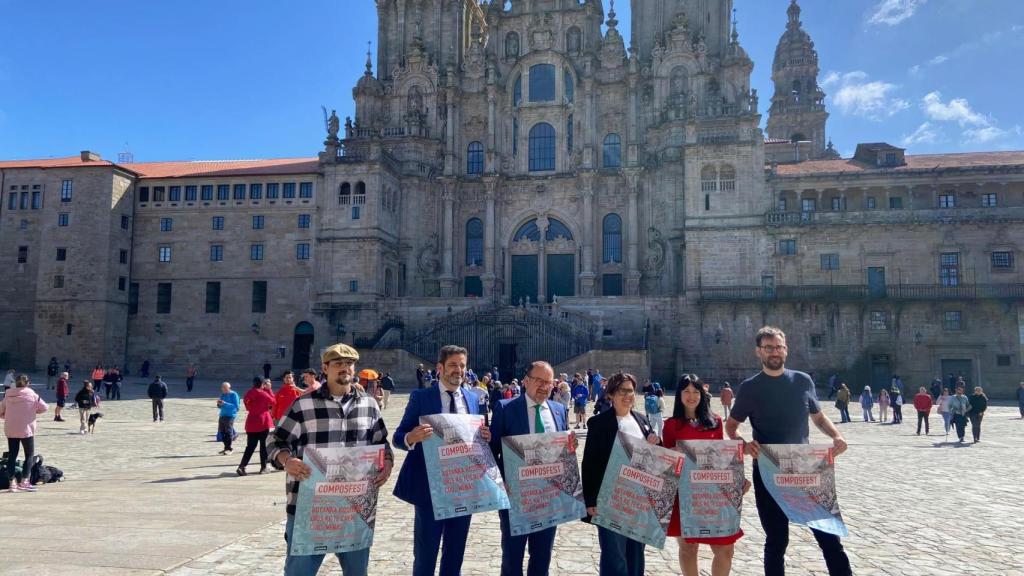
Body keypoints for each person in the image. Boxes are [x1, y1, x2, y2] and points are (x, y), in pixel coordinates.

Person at [725, 326, 851, 576]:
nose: (775, 351)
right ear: (758, 352)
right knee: (776, 539)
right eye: (769, 347)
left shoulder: (803, 380)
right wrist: (744, 444)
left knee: (829, 536)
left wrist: (836, 435)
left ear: (786, 350)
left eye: (779, 347)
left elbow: (818, 416)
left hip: (806, 467)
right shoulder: (750, 387)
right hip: (768, 470)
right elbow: (731, 427)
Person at [269, 343, 394, 576]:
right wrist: (287, 461)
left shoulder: (368, 404)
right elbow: (276, 441)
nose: (344, 368)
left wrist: (386, 461)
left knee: (357, 572)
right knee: (299, 572)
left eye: (349, 363)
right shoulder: (303, 404)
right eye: (338, 364)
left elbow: (382, 442)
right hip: (309, 508)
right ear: (325, 368)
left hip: (354, 509)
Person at [393, 344, 488, 576]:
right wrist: (411, 437)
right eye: (453, 365)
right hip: (430, 489)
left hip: (463, 487)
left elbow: (477, 437)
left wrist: (486, 436)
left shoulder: (473, 399)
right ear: (440, 367)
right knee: (426, 555)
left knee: (455, 554)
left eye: (463, 365)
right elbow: (398, 437)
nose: (459, 370)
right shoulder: (421, 397)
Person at [489, 361, 570, 576]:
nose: (544, 387)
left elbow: (562, 452)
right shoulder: (506, 409)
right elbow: (491, 451)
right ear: (526, 381)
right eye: (539, 381)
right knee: (512, 558)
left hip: (548, 497)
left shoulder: (559, 410)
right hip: (516, 497)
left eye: (549, 382)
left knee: (542, 557)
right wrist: (501, 485)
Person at [663, 374, 746, 576]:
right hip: (684, 495)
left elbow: (720, 458)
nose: (691, 396)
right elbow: (666, 466)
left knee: (725, 549)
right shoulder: (671, 425)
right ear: (679, 395)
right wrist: (672, 453)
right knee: (688, 548)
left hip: (712, 495)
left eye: (695, 391)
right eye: (686, 391)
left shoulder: (715, 422)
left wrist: (737, 478)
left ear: (702, 394)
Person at [582, 372, 660, 576]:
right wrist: (590, 500)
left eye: (631, 391)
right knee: (614, 556)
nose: (627, 395)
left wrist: (656, 444)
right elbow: (590, 463)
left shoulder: (642, 421)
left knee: (636, 553)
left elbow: (652, 459)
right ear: (611, 395)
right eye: (622, 391)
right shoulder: (599, 424)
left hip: (638, 499)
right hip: (610, 499)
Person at [0, 374, 48, 492]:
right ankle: (24, 481)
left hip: (11, 429)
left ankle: (12, 484)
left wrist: (5, 416)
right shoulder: (32, 394)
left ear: (15, 383)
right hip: (26, 429)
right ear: (28, 383)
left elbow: (0, 410)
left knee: (12, 456)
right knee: (29, 456)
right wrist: (34, 412)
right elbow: (45, 407)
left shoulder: (8, 395)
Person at [238, 378, 275, 476]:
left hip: (251, 422)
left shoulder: (249, 392)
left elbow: (247, 404)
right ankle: (263, 467)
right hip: (263, 422)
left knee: (250, 446)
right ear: (263, 384)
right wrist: (269, 389)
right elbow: (273, 401)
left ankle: (242, 466)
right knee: (263, 446)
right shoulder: (264, 393)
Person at [217, 382, 240, 455]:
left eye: (224, 388)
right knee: (222, 431)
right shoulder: (222, 395)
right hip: (222, 415)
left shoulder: (234, 394)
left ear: (229, 388)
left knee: (228, 432)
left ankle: (229, 448)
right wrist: (219, 404)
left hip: (230, 415)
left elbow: (236, 406)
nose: (223, 389)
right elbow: (220, 406)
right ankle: (226, 447)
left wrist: (225, 403)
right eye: (222, 387)